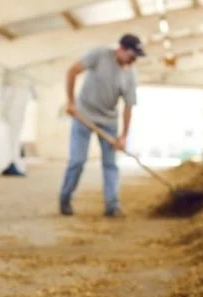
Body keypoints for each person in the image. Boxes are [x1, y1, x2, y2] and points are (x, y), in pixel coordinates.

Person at [59, 33, 144, 217]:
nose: (133, 61)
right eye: (131, 55)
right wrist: (71, 102)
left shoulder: (130, 75)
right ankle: (65, 198)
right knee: (77, 161)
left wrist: (123, 136)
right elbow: (72, 71)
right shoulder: (99, 55)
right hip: (83, 115)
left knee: (110, 164)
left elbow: (128, 107)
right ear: (121, 49)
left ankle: (112, 206)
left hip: (108, 121)